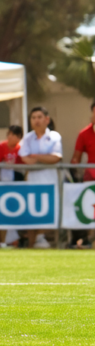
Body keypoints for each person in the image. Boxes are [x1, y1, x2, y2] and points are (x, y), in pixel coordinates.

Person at [19, 106, 62, 249]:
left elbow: (56, 158)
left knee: (50, 212)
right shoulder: (27, 138)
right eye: (33, 117)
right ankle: (32, 244)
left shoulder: (55, 136)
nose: (36, 120)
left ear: (47, 119)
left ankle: (42, 238)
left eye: (39, 117)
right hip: (32, 181)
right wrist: (44, 158)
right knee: (32, 213)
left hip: (50, 182)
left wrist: (36, 156)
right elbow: (25, 159)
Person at [0, 125, 24, 248]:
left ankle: (10, 241)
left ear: (19, 137)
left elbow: (22, 170)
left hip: (15, 187)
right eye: (8, 134)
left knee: (11, 213)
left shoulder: (21, 149)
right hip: (0, 186)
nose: (9, 137)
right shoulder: (0, 146)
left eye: (13, 135)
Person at [71, 102, 95, 248]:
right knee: (91, 210)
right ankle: (90, 239)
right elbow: (76, 159)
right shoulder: (84, 133)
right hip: (90, 179)